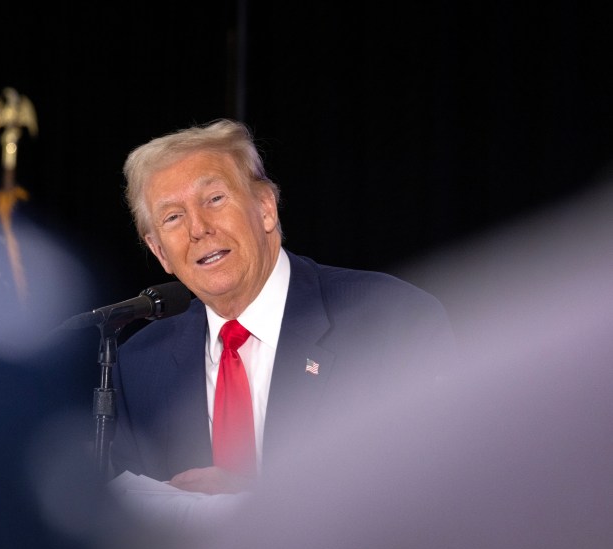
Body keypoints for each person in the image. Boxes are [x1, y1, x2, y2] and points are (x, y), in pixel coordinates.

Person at [110, 119, 457, 495]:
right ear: (161, 252)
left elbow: (437, 489)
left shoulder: (392, 321)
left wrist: (256, 504)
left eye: (214, 199)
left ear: (264, 208)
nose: (198, 228)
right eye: (173, 217)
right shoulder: (138, 366)